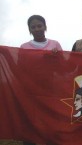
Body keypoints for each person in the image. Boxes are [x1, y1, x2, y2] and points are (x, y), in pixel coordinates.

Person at [20, 15, 63, 145]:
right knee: (31, 120)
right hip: (31, 91)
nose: (37, 29)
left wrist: (57, 57)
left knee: (50, 119)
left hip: (51, 90)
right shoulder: (24, 47)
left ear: (45, 27)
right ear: (29, 30)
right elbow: (20, 69)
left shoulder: (55, 44)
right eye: (33, 27)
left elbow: (63, 68)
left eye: (40, 26)